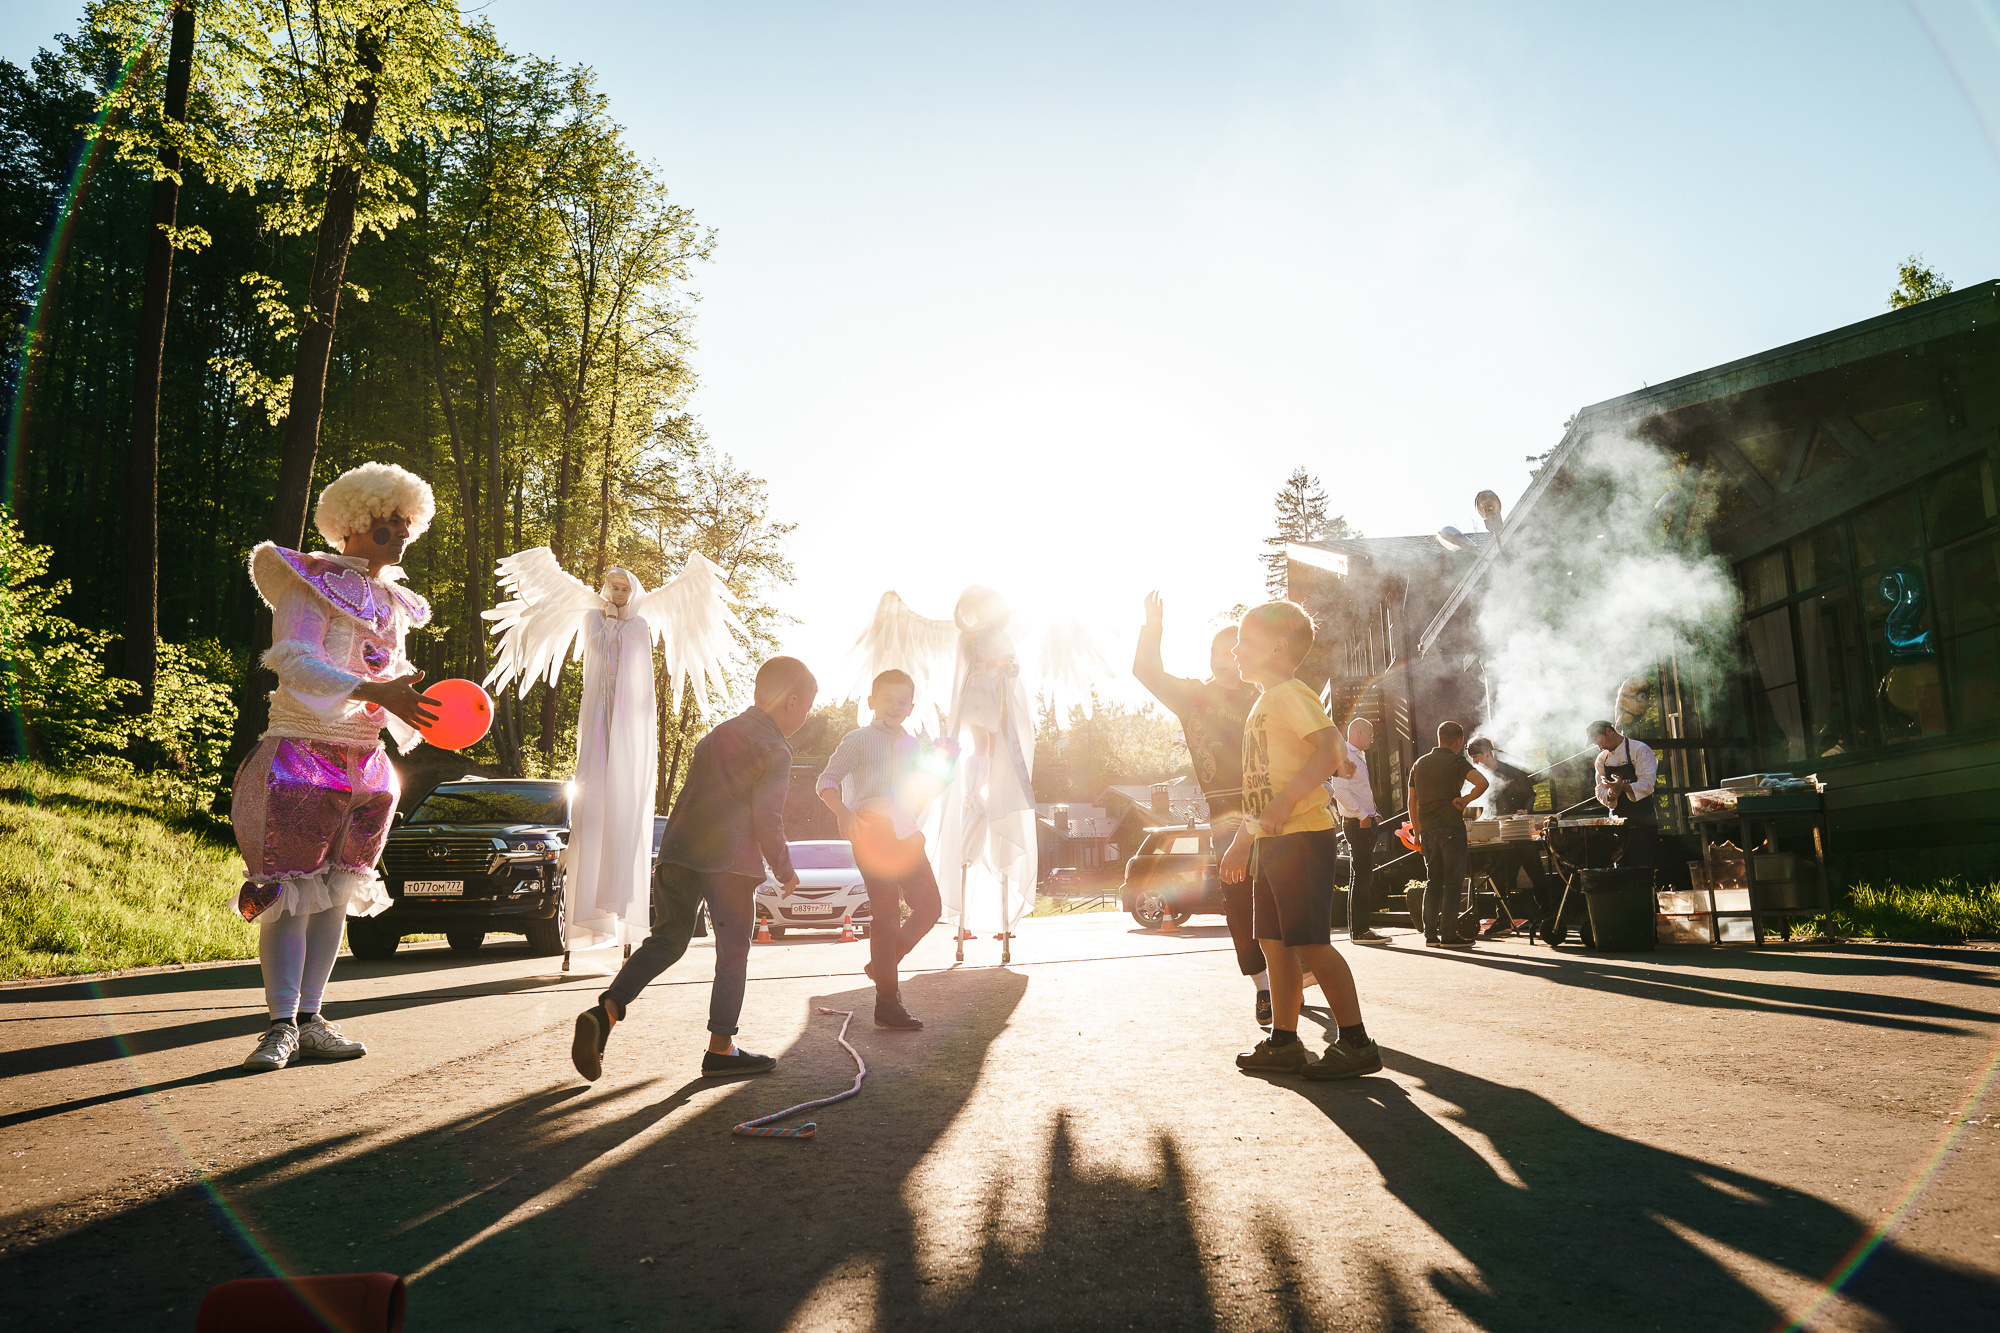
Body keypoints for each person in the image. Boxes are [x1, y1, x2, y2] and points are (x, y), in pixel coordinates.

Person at [233, 462, 439, 1073]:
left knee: (335, 893)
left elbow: (390, 681)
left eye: (405, 524)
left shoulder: (394, 602)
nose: (398, 536)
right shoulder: (309, 581)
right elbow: (292, 660)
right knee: (290, 892)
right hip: (301, 749)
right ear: (350, 524)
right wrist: (377, 691)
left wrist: (415, 708)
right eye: (385, 526)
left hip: (369, 763)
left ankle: (312, 1017)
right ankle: (279, 1025)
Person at [570, 656, 818, 1082]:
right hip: (730, 863)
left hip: (676, 852)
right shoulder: (775, 747)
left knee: (667, 940)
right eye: (807, 709)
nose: (805, 719)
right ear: (792, 702)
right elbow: (767, 817)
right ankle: (721, 1049)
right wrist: (784, 867)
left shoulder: (717, 734)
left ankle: (606, 1011)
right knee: (732, 955)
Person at [1220, 601, 1380, 1081]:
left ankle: (1356, 1042)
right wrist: (1243, 840)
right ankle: (1285, 1042)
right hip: (1273, 843)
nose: (1235, 651)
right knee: (1273, 944)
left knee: (1310, 943)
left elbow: (1330, 749)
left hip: (1303, 839)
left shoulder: (1289, 692)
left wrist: (1285, 805)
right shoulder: (1265, 700)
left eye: (1244, 642)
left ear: (1277, 646)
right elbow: (1262, 786)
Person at [1133, 593, 1272, 1022]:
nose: (1222, 659)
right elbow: (1145, 671)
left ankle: (1296, 972)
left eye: (1231, 650)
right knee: (1238, 900)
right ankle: (1264, 988)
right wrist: (1152, 625)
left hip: (1271, 810)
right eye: (1215, 652)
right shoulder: (1194, 697)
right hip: (1224, 816)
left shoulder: (1263, 697)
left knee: (1277, 897)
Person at [818, 669, 950, 1031]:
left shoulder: (912, 744)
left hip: (906, 832)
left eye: (902, 701)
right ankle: (887, 1004)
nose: (895, 706)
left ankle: (882, 966)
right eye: (887, 699)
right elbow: (826, 781)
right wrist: (843, 814)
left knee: (930, 907)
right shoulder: (857, 739)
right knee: (886, 915)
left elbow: (917, 790)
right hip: (871, 830)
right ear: (872, 702)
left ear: (911, 707)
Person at [1407, 721, 1488, 949]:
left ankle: (1430, 935)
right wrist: (1465, 799)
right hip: (1451, 828)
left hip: (1428, 831)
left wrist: (1416, 831)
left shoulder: (1419, 763)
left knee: (1434, 881)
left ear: (1438, 737)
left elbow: (1411, 801)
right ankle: (1449, 934)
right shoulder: (1456, 761)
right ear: (1459, 741)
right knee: (1453, 882)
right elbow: (1482, 782)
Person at [1466, 737, 1554, 936]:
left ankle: (1549, 916)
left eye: (1477, 756)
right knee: (1499, 877)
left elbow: (1531, 794)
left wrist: (1525, 810)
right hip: (1499, 834)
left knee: (1536, 875)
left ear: (1488, 752)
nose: (1475, 761)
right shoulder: (1479, 777)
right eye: (1472, 758)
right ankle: (1504, 918)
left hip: (1521, 832)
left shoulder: (1512, 772)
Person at [1329, 716, 1390, 946]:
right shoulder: (1343, 754)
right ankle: (1360, 932)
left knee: (1363, 876)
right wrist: (1363, 815)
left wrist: (1374, 813)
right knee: (1362, 877)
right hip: (1357, 824)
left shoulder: (1356, 755)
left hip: (1364, 822)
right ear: (1359, 733)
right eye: (1371, 735)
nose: (1373, 739)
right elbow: (1340, 792)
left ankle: (1361, 930)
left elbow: (1359, 790)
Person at [1590, 719, 1659, 868]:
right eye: (1597, 745)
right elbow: (1599, 790)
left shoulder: (1640, 749)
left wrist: (1622, 786)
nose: (1601, 747)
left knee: (1643, 865)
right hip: (1617, 822)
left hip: (1643, 820)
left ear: (1609, 731)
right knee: (1621, 866)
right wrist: (1612, 794)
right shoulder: (1601, 759)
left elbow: (1647, 784)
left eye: (1600, 741)